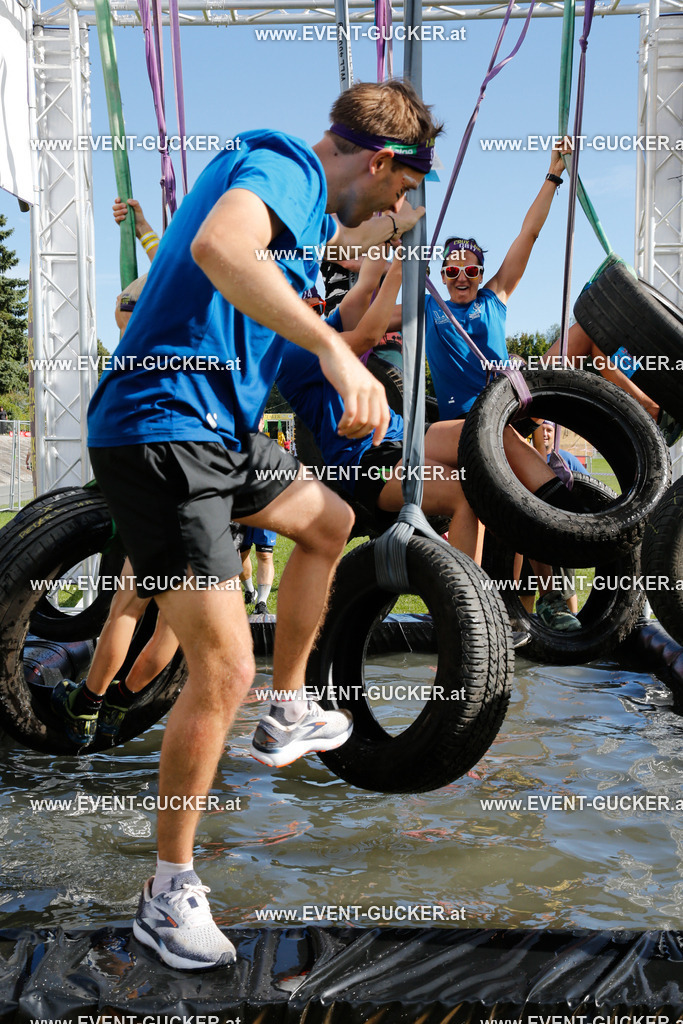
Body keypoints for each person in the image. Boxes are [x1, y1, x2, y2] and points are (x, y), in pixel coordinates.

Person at [86, 79, 442, 971]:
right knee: (221, 665)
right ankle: (166, 894)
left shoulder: (301, 235)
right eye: (400, 194)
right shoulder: (284, 165)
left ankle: (287, 709)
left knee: (326, 520)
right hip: (162, 426)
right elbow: (215, 245)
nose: (393, 211)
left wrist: (354, 379)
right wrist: (330, 346)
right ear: (380, 161)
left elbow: (277, 333)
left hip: (220, 435)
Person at [425, 139, 586, 632]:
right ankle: (459, 608)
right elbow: (372, 306)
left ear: (479, 271)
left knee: (534, 497)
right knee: (467, 499)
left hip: (500, 417)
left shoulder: (495, 297)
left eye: (470, 270)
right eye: (451, 270)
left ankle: (556, 596)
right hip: (453, 427)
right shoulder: (428, 307)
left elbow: (528, 235)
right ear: (441, 272)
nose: (461, 277)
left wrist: (553, 176)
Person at [240, 527, 276, 614]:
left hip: (263, 514)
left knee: (265, 554)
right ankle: (251, 591)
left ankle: (261, 603)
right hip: (240, 514)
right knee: (241, 554)